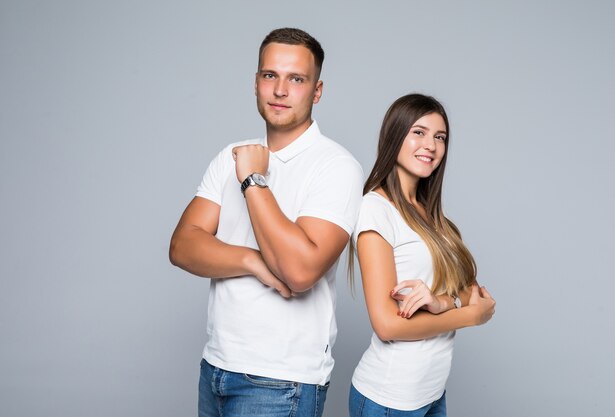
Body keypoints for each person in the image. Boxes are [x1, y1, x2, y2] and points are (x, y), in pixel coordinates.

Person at [169, 28, 363, 417]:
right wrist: (253, 261)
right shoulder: (231, 154)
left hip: (281, 381)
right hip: (217, 366)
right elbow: (182, 246)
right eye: (269, 75)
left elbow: (298, 270)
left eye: (296, 78)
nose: (280, 90)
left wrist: (253, 181)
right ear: (255, 82)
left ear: (317, 91)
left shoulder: (336, 167)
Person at [348, 94, 496, 417]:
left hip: (431, 393)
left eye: (439, 137)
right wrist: (470, 316)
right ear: (394, 136)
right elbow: (387, 325)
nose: (431, 145)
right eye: (419, 132)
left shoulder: (432, 217)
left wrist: (442, 302)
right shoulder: (375, 209)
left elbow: (469, 291)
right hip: (390, 399)